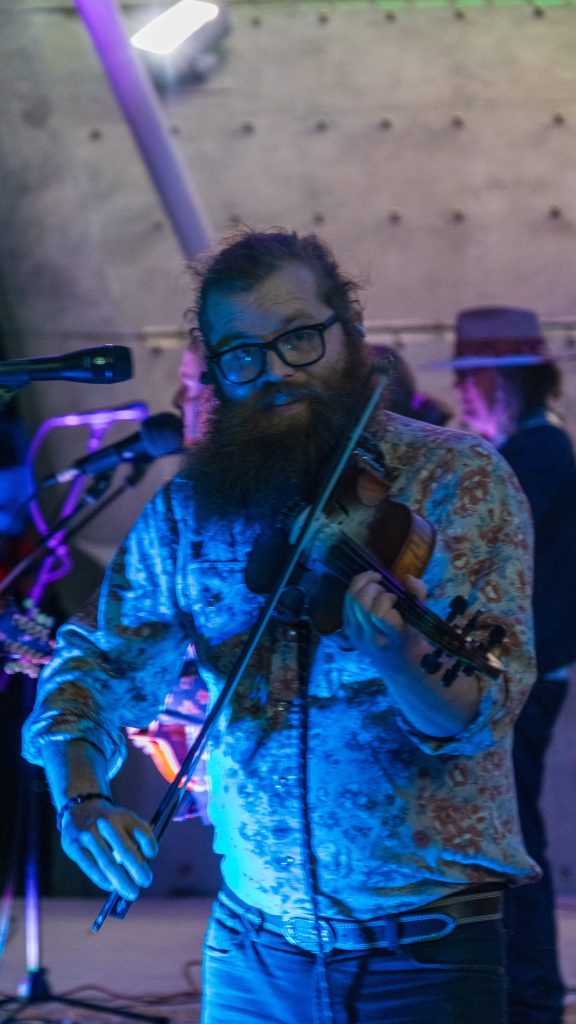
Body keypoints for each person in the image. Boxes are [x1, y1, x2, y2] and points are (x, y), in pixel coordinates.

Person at [23, 230, 539, 1024]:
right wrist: (81, 796)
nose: (276, 370)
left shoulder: (458, 480)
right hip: (250, 954)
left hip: (422, 956)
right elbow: (93, 668)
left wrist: (399, 656)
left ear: (350, 332)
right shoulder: (188, 512)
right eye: (243, 354)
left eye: (299, 337)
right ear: (215, 372)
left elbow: (475, 717)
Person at [452, 304, 576, 1024]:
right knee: (511, 830)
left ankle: (531, 996)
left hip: (527, 678)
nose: (462, 395)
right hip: (526, 673)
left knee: (514, 836)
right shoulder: (534, 449)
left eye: (470, 380)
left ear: (502, 381)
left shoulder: (537, 456)